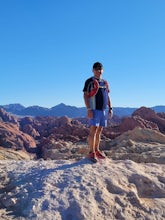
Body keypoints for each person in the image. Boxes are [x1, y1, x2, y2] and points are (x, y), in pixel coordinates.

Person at [83, 62, 113, 162]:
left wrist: (110, 108)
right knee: (93, 130)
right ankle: (91, 153)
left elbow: (107, 96)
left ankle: (97, 150)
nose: (98, 71)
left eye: (100, 69)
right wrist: (88, 109)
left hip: (103, 110)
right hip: (94, 109)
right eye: (96, 69)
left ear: (102, 70)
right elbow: (85, 95)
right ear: (93, 70)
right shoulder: (89, 81)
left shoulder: (105, 82)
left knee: (99, 130)